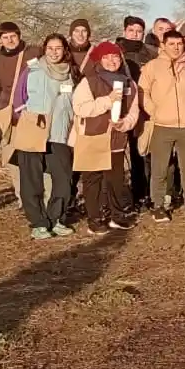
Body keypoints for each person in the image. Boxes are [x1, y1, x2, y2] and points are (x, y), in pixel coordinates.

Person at [12, 34, 80, 240]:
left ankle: (56, 219)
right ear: (44, 49)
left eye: (58, 48)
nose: (54, 52)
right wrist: (27, 117)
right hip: (33, 130)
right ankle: (38, 223)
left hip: (59, 133)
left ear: (65, 50)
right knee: (31, 181)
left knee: (63, 179)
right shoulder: (32, 69)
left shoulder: (72, 73)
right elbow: (18, 98)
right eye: (50, 48)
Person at [139, 29, 185, 222]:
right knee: (160, 168)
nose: (176, 48)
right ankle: (158, 204)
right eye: (172, 44)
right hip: (162, 125)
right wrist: (154, 111)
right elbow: (143, 91)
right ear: (163, 45)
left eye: (179, 44)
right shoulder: (152, 67)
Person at [70, 41, 139, 234]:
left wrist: (124, 124)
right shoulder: (89, 81)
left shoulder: (129, 82)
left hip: (116, 139)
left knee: (115, 179)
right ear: (99, 60)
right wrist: (107, 101)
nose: (112, 61)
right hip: (93, 137)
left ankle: (117, 216)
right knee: (93, 180)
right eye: (106, 57)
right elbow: (80, 108)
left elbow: (134, 111)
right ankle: (95, 219)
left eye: (115, 56)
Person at [0, 21, 40, 208]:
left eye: (13, 36)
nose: (10, 40)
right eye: (5, 37)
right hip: (8, 114)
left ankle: (41, 194)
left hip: (34, 111)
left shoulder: (35, 53)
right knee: (13, 157)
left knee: (37, 154)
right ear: (0, 40)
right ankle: (23, 197)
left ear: (19, 35)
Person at [116, 16, 156, 208]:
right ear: (125, 31)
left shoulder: (150, 53)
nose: (135, 34)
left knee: (141, 151)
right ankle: (118, 196)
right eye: (131, 30)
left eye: (139, 31)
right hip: (120, 107)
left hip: (144, 108)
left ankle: (142, 193)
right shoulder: (116, 52)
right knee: (117, 156)